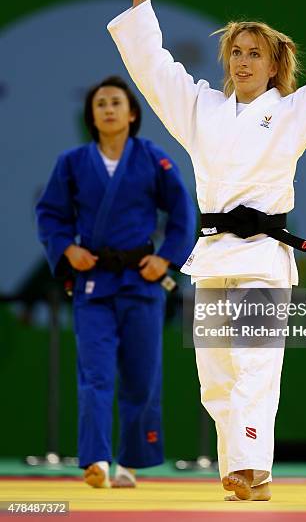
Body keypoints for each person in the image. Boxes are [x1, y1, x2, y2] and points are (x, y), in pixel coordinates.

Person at [107, 0, 306, 501]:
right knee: (216, 378)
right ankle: (249, 474)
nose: (242, 62)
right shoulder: (200, 110)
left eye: (254, 54)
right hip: (214, 253)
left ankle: (247, 467)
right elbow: (155, 72)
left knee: (255, 364)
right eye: (236, 52)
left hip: (264, 253)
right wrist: (142, 4)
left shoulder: (291, 113)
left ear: (273, 64)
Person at [36, 75, 196, 488]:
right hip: (93, 284)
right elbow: (51, 215)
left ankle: (132, 461)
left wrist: (166, 259)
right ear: (91, 115)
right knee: (95, 374)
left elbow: (182, 214)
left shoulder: (153, 158)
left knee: (141, 375)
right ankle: (96, 460)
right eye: (100, 103)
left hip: (142, 281)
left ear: (132, 113)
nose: (108, 109)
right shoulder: (72, 162)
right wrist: (66, 249)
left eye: (115, 102)